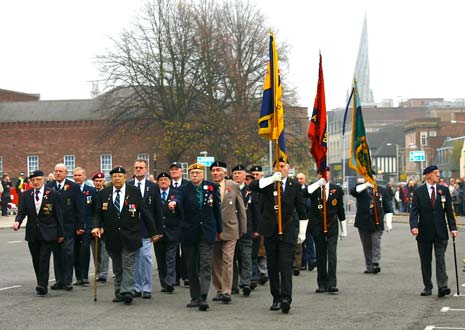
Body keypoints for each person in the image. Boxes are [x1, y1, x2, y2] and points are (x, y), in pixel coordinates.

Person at [92, 166, 161, 304]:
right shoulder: (104, 193)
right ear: (111, 179)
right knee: (117, 267)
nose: (117, 178)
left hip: (131, 235)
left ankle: (127, 291)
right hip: (112, 237)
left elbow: (145, 212)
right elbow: (97, 213)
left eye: (120, 176)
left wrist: (153, 232)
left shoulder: (133, 192)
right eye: (114, 176)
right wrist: (95, 226)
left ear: (124, 178)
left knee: (128, 264)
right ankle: (119, 292)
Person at [249, 157, 307, 314]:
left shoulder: (294, 186)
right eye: (277, 167)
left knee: (285, 265)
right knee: (272, 266)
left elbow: (302, 210)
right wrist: (270, 179)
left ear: (288, 167)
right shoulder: (268, 184)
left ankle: (286, 298)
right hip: (270, 230)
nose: (280, 169)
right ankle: (276, 297)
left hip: (287, 230)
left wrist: (302, 232)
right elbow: (253, 186)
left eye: (283, 166)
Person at [168, 163, 223, 311]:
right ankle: (195, 296)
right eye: (192, 173)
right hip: (189, 232)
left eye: (198, 173)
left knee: (205, 264)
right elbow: (178, 198)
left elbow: (217, 210)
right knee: (191, 266)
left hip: (207, 231)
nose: (195, 176)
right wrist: (174, 203)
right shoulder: (184, 189)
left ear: (203, 174)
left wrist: (219, 229)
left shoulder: (211, 187)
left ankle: (204, 296)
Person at [12, 170, 64, 296]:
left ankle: (43, 285)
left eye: (38, 180)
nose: (35, 182)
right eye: (33, 180)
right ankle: (40, 282)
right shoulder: (26, 195)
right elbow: (21, 212)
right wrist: (17, 222)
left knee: (44, 259)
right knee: (36, 259)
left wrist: (61, 233)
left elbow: (58, 215)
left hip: (48, 232)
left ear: (43, 180)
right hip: (32, 233)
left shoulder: (52, 194)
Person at [409, 165, 458, 297]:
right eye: (436, 173)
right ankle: (427, 286)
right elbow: (414, 211)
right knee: (425, 260)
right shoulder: (419, 192)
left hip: (440, 231)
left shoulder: (444, 190)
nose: (439, 175)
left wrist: (453, 228)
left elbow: (449, 211)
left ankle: (442, 286)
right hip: (424, 231)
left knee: (440, 259)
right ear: (429, 175)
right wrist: (414, 226)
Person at [210, 161, 246, 304]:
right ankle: (219, 289)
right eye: (213, 170)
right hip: (213, 230)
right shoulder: (208, 187)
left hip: (230, 228)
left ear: (225, 173)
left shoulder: (233, 186)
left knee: (228, 260)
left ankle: (226, 291)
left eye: (218, 170)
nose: (215, 173)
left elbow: (241, 208)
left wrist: (243, 228)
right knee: (215, 261)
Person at [306, 167, 346, 293]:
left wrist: (343, 229)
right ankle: (322, 283)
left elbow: (340, 209)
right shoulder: (314, 188)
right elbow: (304, 194)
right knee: (320, 254)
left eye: (326, 173)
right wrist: (318, 184)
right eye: (321, 174)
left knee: (332, 254)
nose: (324, 176)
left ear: (330, 175)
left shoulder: (337, 189)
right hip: (318, 225)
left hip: (332, 225)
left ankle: (332, 283)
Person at [47, 163, 85, 291]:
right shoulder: (49, 186)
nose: (58, 173)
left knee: (68, 254)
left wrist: (80, 225)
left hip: (69, 226)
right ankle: (59, 280)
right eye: (56, 171)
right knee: (57, 254)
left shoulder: (73, 187)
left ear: (65, 173)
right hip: (53, 227)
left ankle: (68, 280)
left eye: (60, 171)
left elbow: (79, 207)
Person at [128, 159, 162, 299]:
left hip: (147, 229)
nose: (138, 170)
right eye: (136, 167)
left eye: (141, 167)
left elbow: (158, 210)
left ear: (146, 170)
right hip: (131, 228)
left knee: (146, 257)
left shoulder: (153, 187)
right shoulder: (128, 185)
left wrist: (158, 231)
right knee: (134, 259)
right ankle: (136, 287)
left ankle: (147, 287)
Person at [350, 176, 393, 274]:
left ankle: (375, 263)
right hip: (363, 222)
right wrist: (365, 185)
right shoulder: (360, 188)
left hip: (377, 222)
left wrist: (389, 222)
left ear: (375, 178)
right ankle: (369, 266)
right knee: (366, 245)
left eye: (371, 177)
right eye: (367, 177)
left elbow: (388, 207)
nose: (370, 178)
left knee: (376, 242)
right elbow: (353, 191)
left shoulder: (382, 190)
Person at [231, 165, 261, 296]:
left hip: (247, 230)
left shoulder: (250, 192)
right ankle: (233, 285)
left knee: (246, 258)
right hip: (231, 230)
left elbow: (256, 212)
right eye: (235, 173)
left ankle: (246, 283)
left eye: (239, 173)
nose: (237, 175)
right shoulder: (228, 190)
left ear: (245, 176)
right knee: (231, 259)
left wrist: (257, 229)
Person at [155, 172, 182, 294]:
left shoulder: (176, 195)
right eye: (161, 180)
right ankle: (164, 283)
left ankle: (171, 281)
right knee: (160, 259)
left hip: (173, 231)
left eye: (166, 179)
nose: (163, 181)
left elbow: (181, 213)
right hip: (158, 232)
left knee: (170, 258)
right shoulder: (154, 195)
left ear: (170, 182)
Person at [73, 167, 96, 286]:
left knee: (85, 250)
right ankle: (78, 277)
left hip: (87, 226)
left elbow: (95, 210)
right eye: (75, 175)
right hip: (75, 226)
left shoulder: (91, 191)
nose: (77, 177)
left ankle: (85, 276)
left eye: (79, 175)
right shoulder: (70, 190)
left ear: (84, 176)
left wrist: (96, 225)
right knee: (75, 252)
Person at [169, 161, 189, 286]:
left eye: (176, 169)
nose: (174, 171)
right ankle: (175, 276)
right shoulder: (167, 184)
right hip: (172, 223)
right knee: (173, 251)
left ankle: (186, 275)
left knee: (186, 250)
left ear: (181, 171)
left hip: (185, 221)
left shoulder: (187, 184)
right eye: (172, 169)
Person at [249, 165, 268, 286]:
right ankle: (255, 273)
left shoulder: (266, 188)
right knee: (255, 251)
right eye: (253, 175)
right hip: (253, 225)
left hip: (265, 224)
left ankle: (263, 272)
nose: (255, 177)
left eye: (257, 175)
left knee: (263, 251)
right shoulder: (250, 190)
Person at [295, 173, 317, 273]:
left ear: (305, 179)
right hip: (297, 219)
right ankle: (302, 262)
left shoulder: (309, 190)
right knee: (299, 242)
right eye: (298, 178)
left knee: (309, 241)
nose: (299, 180)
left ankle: (311, 260)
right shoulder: (294, 189)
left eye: (301, 178)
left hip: (308, 218)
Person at [90, 172, 109, 282]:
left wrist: (102, 226)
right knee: (95, 251)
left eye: (100, 181)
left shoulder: (107, 193)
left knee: (104, 251)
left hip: (104, 227)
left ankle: (104, 273)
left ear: (103, 182)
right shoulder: (91, 193)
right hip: (93, 227)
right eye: (96, 181)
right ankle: (98, 272)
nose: (98, 183)